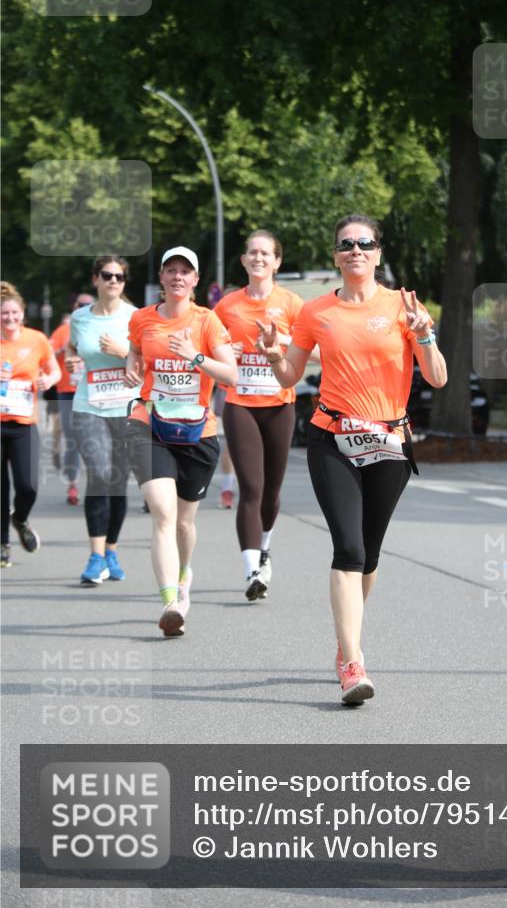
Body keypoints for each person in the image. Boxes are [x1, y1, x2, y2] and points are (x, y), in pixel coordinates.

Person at [256, 215, 446, 703]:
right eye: (346, 244)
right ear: (336, 255)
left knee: (371, 556)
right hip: (332, 439)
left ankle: (344, 647)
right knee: (350, 550)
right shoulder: (316, 312)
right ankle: (354, 663)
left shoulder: (403, 306)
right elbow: (287, 378)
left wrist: (423, 334)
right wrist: (276, 354)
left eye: (365, 243)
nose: (355, 250)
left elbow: (439, 377)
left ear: (378, 253)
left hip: (389, 442)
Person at [125, 246, 237, 637]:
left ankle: (185, 574)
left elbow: (231, 375)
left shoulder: (207, 322)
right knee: (163, 513)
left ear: (195, 280)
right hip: (149, 425)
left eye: (184, 272)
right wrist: (130, 365)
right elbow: (136, 349)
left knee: (185, 522)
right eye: (170, 270)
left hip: (197, 433)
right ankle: (171, 602)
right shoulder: (142, 319)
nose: (176, 277)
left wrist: (195, 357)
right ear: (162, 277)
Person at [214, 231, 304, 600]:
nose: (259, 258)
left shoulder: (293, 304)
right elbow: (211, 351)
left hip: (280, 404)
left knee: (272, 491)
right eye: (252, 252)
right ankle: (252, 569)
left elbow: (314, 353)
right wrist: (227, 352)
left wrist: (281, 342)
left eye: (266, 253)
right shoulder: (227, 307)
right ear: (244, 260)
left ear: (277, 261)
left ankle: (264, 547)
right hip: (240, 404)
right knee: (251, 487)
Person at [67, 258, 139, 585]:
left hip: (125, 406)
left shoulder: (136, 317)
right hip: (89, 405)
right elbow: (74, 349)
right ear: (96, 279)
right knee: (98, 475)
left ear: (124, 282)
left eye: (119, 276)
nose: (113, 281)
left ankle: (111, 549)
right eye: (107, 275)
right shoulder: (80, 319)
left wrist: (123, 351)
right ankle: (95, 557)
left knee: (118, 481)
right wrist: (71, 362)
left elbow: (148, 358)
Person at [1, 281, 61, 568]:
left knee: (28, 486)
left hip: (24, 422)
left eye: (14, 313)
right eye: (4, 314)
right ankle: (3, 545)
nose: (10, 318)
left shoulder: (36, 339)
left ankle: (20, 518)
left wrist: (47, 381)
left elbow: (55, 370)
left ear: (22, 314)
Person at [49, 294, 94, 505]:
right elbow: (47, 353)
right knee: (72, 437)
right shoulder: (64, 330)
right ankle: (73, 483)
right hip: (67, 391)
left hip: (94, 391)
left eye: (88, 305)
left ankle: (98, 482)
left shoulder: (98, 327)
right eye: (81, 305)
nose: (84, 307)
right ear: (74, 307)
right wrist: (63, 348)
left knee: (95, 439)